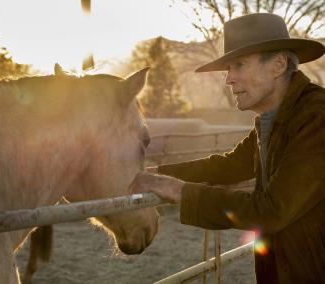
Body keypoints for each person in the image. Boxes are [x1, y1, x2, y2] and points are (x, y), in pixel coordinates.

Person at [130, 13, 325, 283]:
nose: (228, 80)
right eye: (228, 69)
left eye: (239, 66)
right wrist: (156, 174)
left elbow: (271, 210)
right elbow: (230, 165)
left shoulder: (316, 117)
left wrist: (177, 191)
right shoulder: (275, 118)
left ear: (279, 64)